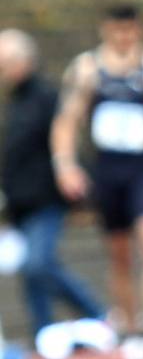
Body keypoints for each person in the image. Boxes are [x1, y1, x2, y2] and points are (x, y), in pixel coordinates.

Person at [51, 4, 143, 343]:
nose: (123, 37)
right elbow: (66, 121)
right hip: (108, 169)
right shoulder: (87, 69)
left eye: (130, 30)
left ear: (139, 30)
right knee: (119, 253)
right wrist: (65, 164)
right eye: (117, 30)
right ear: (105, 29)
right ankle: (130, 329)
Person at [0, 29, 106, 341]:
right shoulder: (15, 103)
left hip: (44, 198)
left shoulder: (46, 97)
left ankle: (97, 313)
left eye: (5, 63)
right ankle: (43, 332)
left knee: (39, 263)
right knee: (30, 273)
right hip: (19, 202)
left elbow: (64, 143)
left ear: (24, 60)